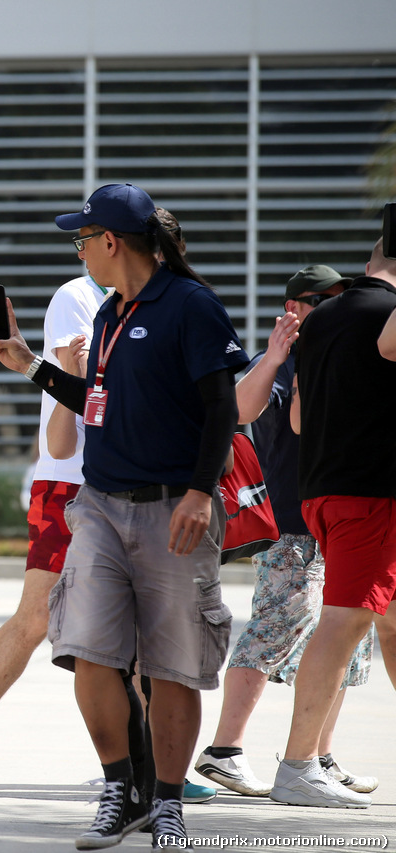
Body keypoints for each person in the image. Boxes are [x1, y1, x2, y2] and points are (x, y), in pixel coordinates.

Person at [0, 183, 248, 851]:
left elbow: (222, 408)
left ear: (112, 242)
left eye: (81, 239)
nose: (78, 250)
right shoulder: (107, 314)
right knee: (89, 654)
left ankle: (166, 804)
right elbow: (95, 399)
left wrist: (197, 492)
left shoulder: (192, 307)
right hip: (99, 505)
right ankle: (117, 789)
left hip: (173, 510)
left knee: (172, 666)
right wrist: (29, 364)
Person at [0, 208, 217, 809]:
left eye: (84, 240)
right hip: (69, 482)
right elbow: (85, 385)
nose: (80, 250)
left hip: (135, 483)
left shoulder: (175, 304)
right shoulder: (83, 296)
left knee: (145, 638)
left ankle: (158, 768)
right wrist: (44, 364)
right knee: (39, 618)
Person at [194, 265, 378, 798]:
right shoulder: (279, 363)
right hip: (292, 527)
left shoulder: (343, 353)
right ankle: (224, 750)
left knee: (349, 643)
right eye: (322, 299)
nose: (335, 308)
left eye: (341, 298)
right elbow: (237, 410)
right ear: (294, 307)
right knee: (272, 632)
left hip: (341, 522)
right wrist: (277, 355)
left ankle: (319, 756)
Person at [268, 240, 396, 808]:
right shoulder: (385, 317)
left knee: (390, 623)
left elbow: (299, 417)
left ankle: (301, 764)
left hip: (324, 491)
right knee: (343, 625)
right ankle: (298, 765)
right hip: (370, 494)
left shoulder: (323, 319)